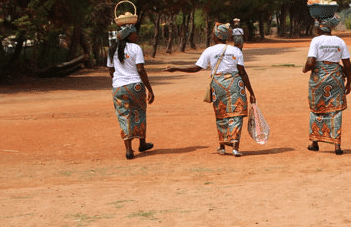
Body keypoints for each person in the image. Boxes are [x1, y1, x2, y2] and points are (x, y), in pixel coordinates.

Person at [165, 22, 256, 157]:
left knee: (221, 114)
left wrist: (176, 68)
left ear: (217, 36)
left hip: (218, 84)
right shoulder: (236, 50)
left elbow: (196, 68)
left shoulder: (209, 51)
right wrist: (251, 92)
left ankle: (222, 146)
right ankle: (235, 146)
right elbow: (242, 72)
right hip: (235, 84)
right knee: (236, 114)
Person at [302, 15, 351, 155]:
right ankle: (337, 146)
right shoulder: (340, 41)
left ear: (321, 27)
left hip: (319, 79)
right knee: (335, 110)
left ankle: (315, 142)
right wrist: (349, 83)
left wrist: (305, 69)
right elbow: (347, 64)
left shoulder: (316, 41)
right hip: (336, 78)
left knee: (317, 108)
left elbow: (311, 62)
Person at [107, 25, 155, 160]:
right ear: (128, 35)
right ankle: (142, 143)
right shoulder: (136, 48)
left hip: (118, 88)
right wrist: (149, 89)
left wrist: (119, 81)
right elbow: (140, 69)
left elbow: (111, 70)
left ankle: (128, 150)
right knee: (139, 112)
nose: (137, 36)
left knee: (124, 116)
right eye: (134, 33)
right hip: (135, 87)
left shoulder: (112, 49)